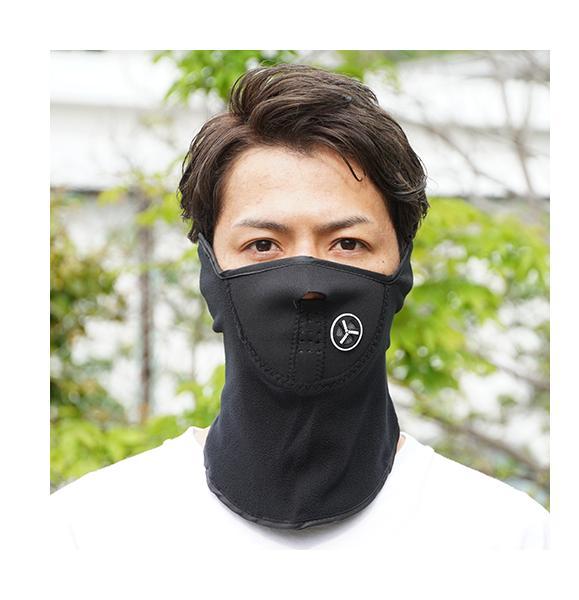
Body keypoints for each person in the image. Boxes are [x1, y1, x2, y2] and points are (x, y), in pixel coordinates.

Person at [49, 63, 549, 551]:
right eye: (263, 245)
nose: (308, 283)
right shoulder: (85, 535)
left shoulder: (512, 541)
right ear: (209, 272)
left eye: (347, 244)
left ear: (401, 270)